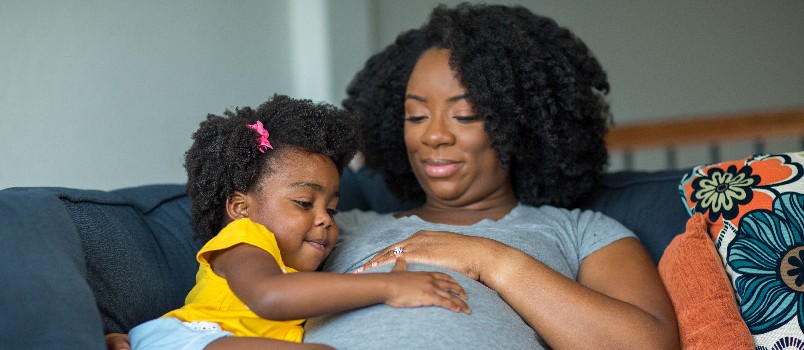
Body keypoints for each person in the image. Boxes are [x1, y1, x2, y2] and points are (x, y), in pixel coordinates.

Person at [301, 4, 679, 350]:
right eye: (416, 117)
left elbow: (646, 345)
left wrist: (490, 260)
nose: (433, 135)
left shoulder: (583, 233)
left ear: (518, 122)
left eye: (464, 115)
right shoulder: (331, 225)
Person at [122, 95, 470, 350]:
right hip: (194, 339)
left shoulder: (298, 273)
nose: (324, 220)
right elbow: (270, 297)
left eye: (332, 210)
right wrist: (389, 287)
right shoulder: (244, 241)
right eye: (304, 202)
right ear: (241, 207)